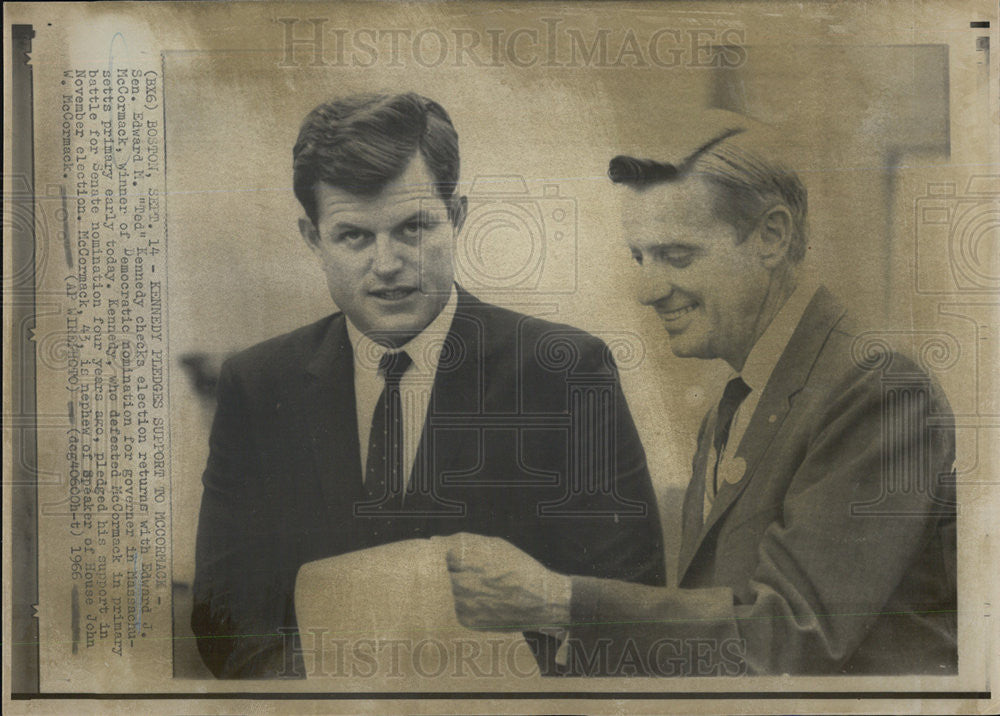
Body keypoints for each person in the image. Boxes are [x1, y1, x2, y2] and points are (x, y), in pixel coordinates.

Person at [445, 111, 957, 675]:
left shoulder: (880, 391)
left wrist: (563, 603)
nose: (647, 289)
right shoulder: (734, 405)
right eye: (639, 257)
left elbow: (784, 640)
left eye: (677, 256)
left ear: (772, 236)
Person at [191, 92, 665, 678]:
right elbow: (226, 625)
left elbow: (629, 611)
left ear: (457, 217)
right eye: (354, 237)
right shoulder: (258, 386)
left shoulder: (565, 371)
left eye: (413, 227)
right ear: (313, 240)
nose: (387, 263)